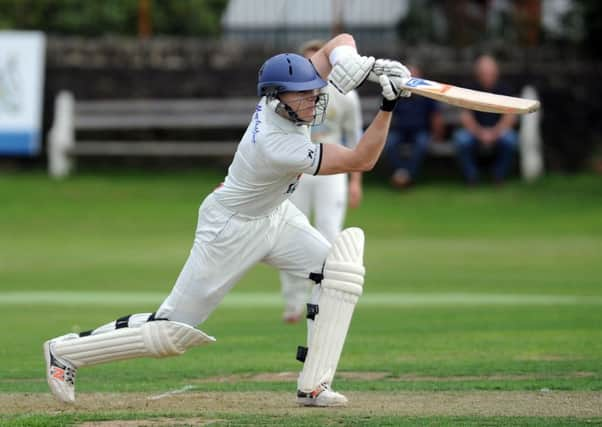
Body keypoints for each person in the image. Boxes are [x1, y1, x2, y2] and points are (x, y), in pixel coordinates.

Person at [43, 33, 411, 407]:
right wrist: (387, 103)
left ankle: (314, 385)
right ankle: (67, 352)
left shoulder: (289, 96)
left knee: (336, 273)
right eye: (304, 94)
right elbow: (361, 160)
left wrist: (355, 62)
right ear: (277, 99)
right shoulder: (277, 145)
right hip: (231, 228)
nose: (314, 98)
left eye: (314, 90)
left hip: (276, 215)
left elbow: (339, 41)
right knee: (172, 333)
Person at [280, 39, 364, 324]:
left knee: (328, 232)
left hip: (332, 164)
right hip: (297, 166)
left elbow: (355, 140)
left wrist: (356, 182)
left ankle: (324, 302)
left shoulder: (344, 95)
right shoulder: (289, 94)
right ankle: (292, 304)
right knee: (291, 233)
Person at [453, 54, 518, 185]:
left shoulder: (505, 89)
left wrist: (495, 133)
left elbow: (510, 116)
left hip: (499, 131)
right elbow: (465, 116)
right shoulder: (469, 89)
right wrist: (479, 133)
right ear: (478, 73)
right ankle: (472, 176)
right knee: (461, 139)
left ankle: (498, 175)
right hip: (474, 131)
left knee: (510, 140)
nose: (487, 75)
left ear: (496, 72)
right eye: (483, 72)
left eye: (490, 72)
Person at [385, 63, 444, 189]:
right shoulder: (396, 92)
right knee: (389, 143)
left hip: (420, 131)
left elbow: (436, 115)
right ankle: (401, 173)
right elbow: (387, 114)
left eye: (414, 77)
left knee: (422, 145)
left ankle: (406, 175)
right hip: (400, 131)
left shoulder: (428, 93)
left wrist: (437, 133)